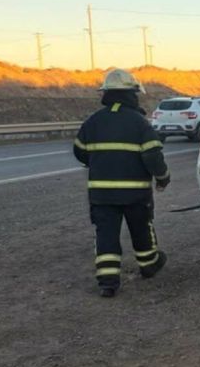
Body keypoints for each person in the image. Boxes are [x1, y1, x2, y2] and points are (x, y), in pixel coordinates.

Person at [73, 69, 170, 298]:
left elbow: (79, 151)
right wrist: (163, 177)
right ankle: (149, 265)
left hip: (101, 194)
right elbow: (153, 156)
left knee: (106, 233)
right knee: (141, 228)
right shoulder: (140, 122)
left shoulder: (93, 121)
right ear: (132, 94)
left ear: (106, 93)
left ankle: (108, 282)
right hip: (135, 193)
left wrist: (101, 161)